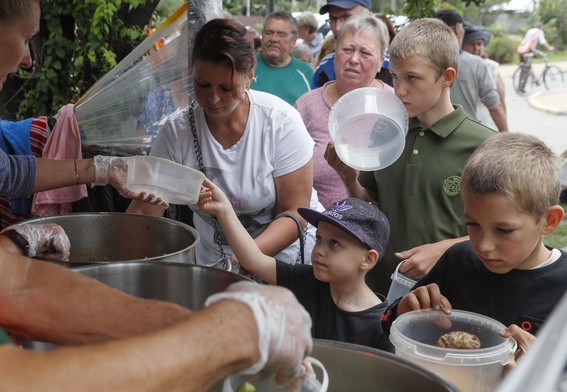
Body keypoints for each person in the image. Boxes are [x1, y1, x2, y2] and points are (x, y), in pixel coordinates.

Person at [127, 18, 320, 267]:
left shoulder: (280, 123)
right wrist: (120, 252)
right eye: (202, 85)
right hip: (215, 262)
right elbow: (145, 212)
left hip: (282, 263)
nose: (213, 99)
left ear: (249, 76)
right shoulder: (177, 133)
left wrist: (247, 259)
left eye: (226, 89)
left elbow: (295, 212)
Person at [325, 18, 496, 295]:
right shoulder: (385, 130)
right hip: (380, 291)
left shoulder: (484, 146)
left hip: (451, 295)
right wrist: (347, 176)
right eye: (394, 76)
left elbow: (500, 234)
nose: (399, 89)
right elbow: (373, 204)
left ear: (447, 77)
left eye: (412, 78)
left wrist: (445, 249)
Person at [381, 132, 566, 364]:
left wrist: (539, 371)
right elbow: (389, 323)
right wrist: (405, 311)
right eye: (473, 224)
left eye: (504, 230)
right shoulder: (458, 259)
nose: (483, 245)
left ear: (549, 220)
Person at [199, 177, 394, 351]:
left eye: (335, 243)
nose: (319, 250)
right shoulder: (306, 279)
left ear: (368, 260)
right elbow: (254, 260)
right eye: (318, 239)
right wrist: (224, 211)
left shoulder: (382, 326)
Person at [295, 13, 393, 208]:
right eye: (347, 49)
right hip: (317, 227)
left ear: (381, 60)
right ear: (335, 53)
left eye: (365, 53)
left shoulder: (396, 106)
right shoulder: (306, 106)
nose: (354, 59)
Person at [434, 10, 508, 133]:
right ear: (458, 29)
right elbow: (494, 105)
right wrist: (506, 137)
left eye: (479, 44)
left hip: (431, 134)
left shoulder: (423, 63)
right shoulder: (476, 63)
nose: (477, 48)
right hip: (467, 134)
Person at [250, 12, 314, 105]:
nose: (274, 39)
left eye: (281, 35)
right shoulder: (245, 66)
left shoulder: (306, 73)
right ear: (262, 35)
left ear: (294, 40)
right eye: (269, 33)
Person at [462, 23, 506, 131]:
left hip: (486, 124)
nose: (476, 48)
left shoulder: (491, 66)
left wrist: (505, 131)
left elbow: (500, 101)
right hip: (464, 124)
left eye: (479, 44)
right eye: (471, 44)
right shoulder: (456, 66)